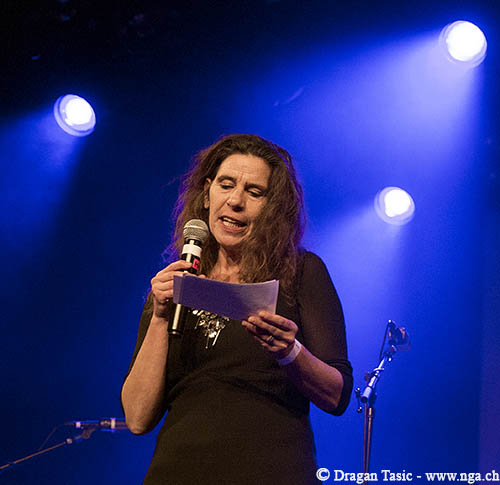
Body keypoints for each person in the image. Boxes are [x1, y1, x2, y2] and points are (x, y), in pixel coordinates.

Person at [121, 134, 353, 484]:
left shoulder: (301, 272)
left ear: (272, 207)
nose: (235, 201)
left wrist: (290, 353)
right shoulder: (174, 284)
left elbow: (337, 395)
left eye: (254, 192)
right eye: (226, 185)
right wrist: (159, 316)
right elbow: (137, 418)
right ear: (206, 193)